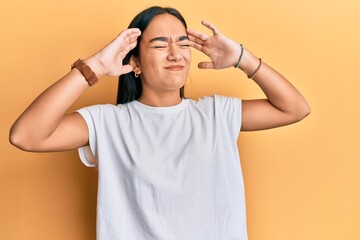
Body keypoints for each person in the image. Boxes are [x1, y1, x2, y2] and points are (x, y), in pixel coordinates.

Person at [9, 6, 310, 240]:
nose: (175, 54)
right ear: (135, 62)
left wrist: (243, 58)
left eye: (182, 43)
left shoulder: (217, 114)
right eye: (159, 45)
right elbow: (26, 136)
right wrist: (96, 67)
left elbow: (295, 108)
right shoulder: (108, 123)